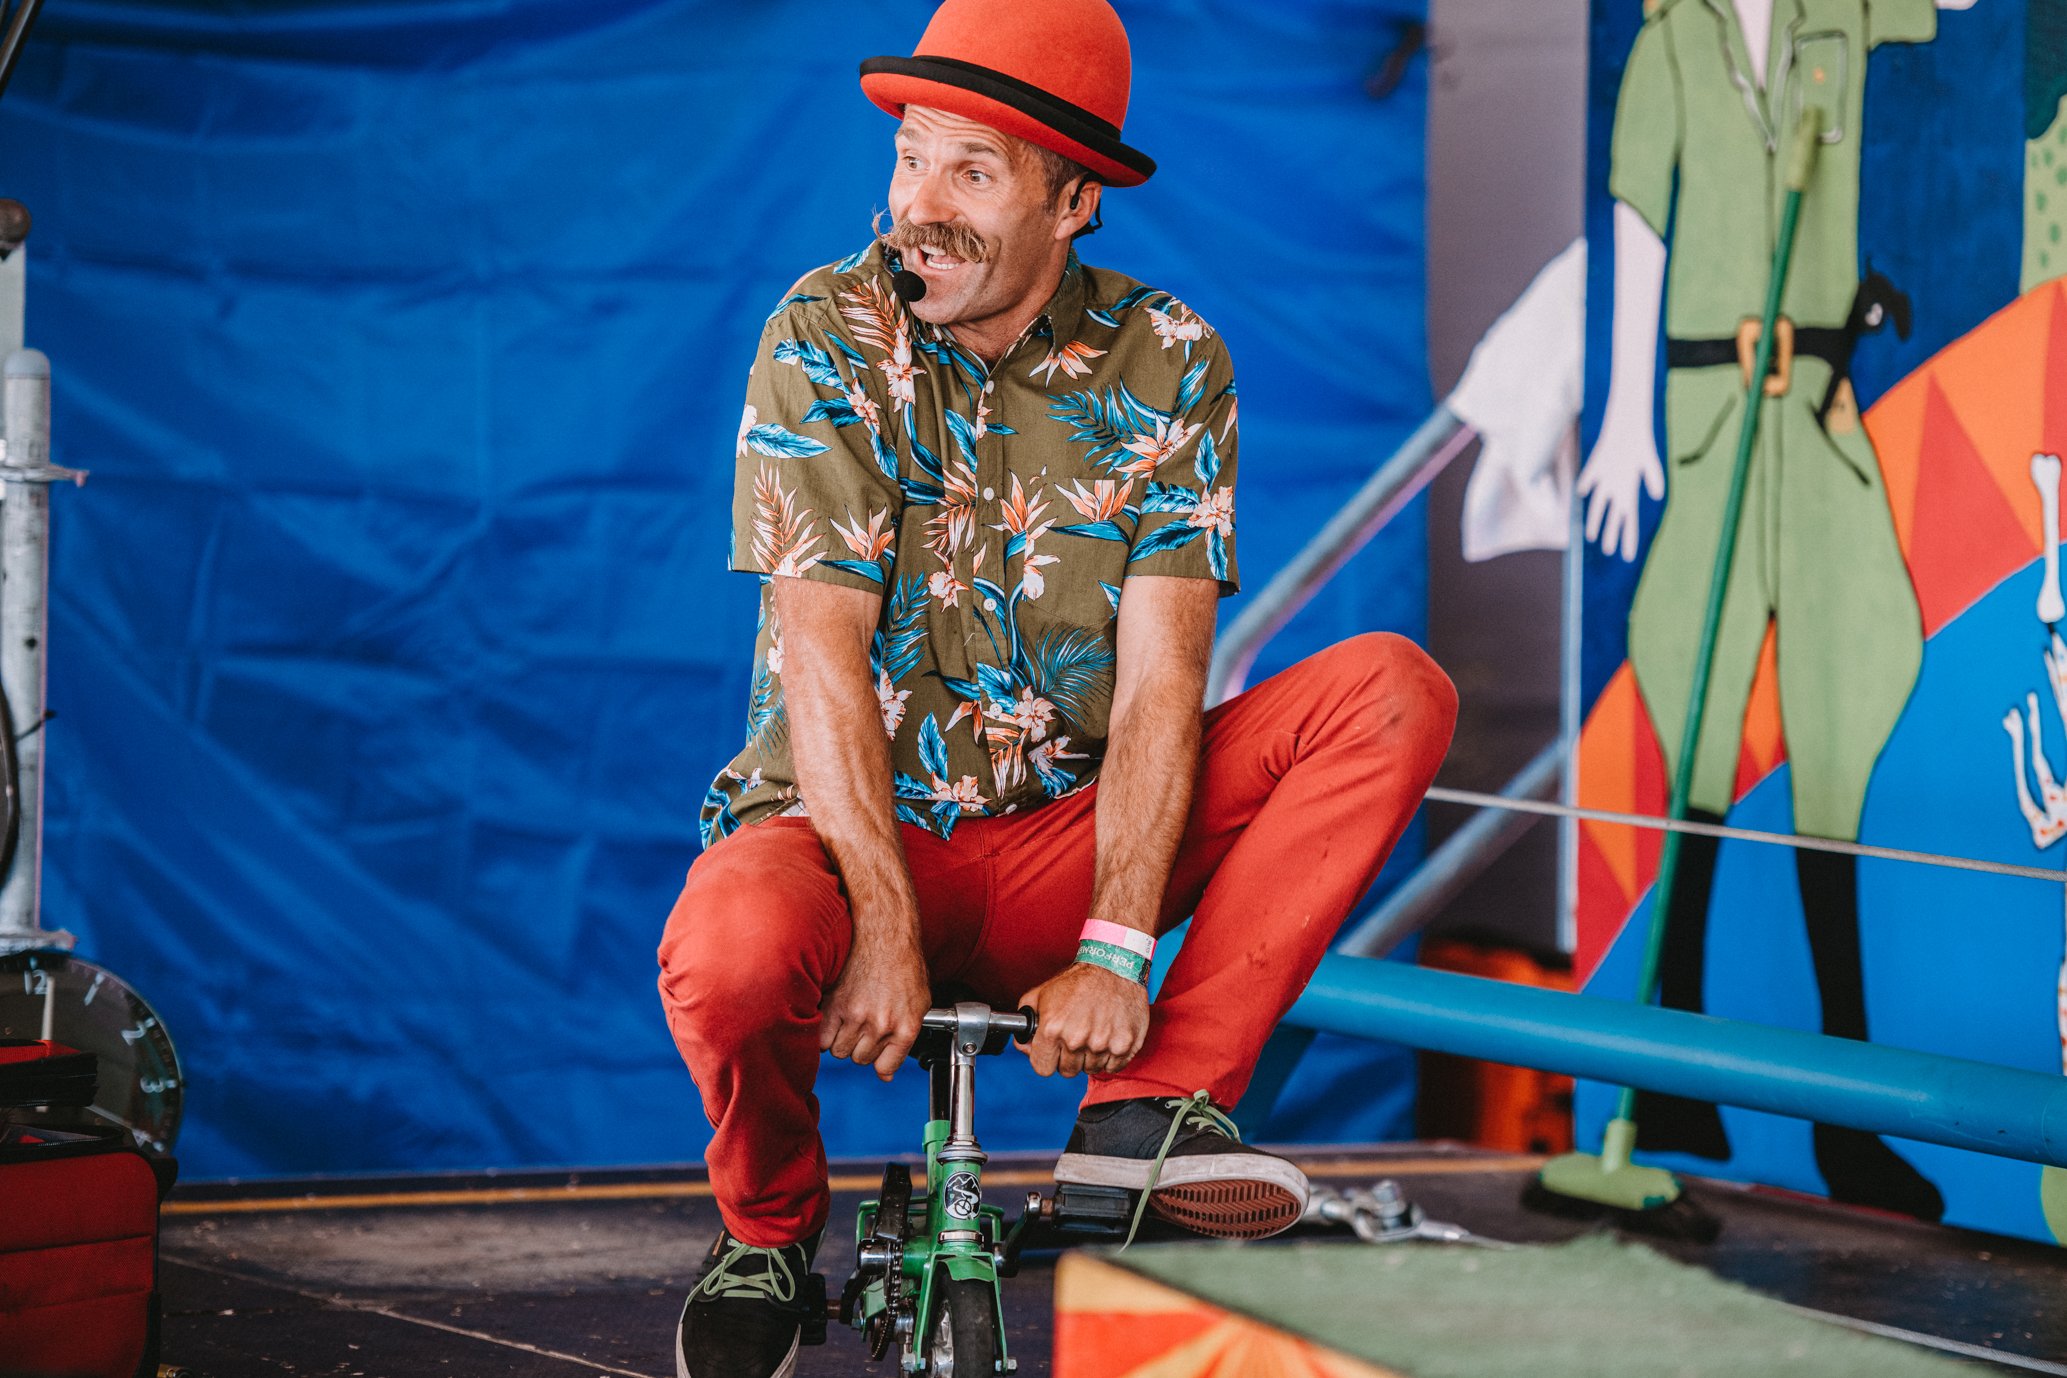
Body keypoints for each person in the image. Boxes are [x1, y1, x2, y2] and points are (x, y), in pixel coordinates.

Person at [657, 2, 1456, 1372]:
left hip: (1060, 844)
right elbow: (821, 658)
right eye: (911, 159)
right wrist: (887, 919)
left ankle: (1145, 1119)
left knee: (1387, 688)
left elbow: (1160, 688)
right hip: (847, 838)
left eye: (971, 171)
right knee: (722, 946)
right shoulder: (824, 330)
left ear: (1071, 198)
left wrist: (1113, 947)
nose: (920, 205)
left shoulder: (1169, 362)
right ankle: (770, 1230)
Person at [1579, 0, 1975, 1221]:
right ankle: (1670, 1080)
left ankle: (1845, 1113)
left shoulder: (1841, 20)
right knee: (1691, 724)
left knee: (1847, 709)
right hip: (1706, 411)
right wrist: (1624, 416)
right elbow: (1638, 216)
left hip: (1815, 407)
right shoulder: (1671, 41)